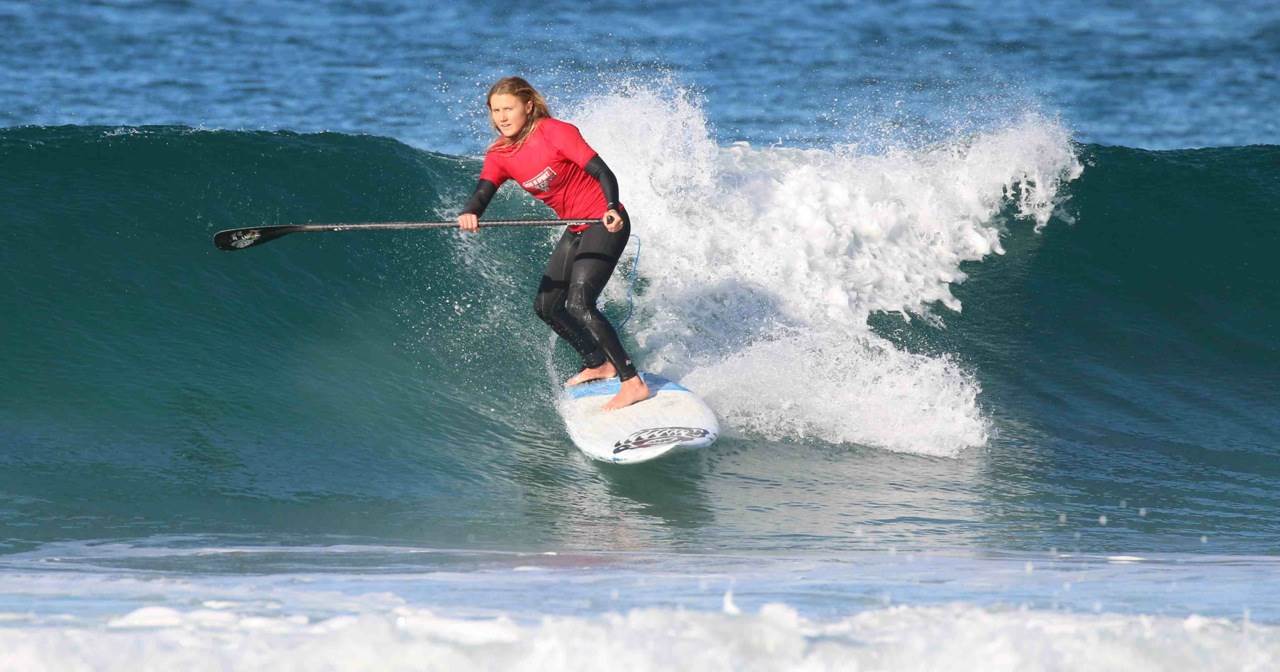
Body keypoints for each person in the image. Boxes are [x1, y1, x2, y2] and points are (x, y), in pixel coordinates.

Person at [457, 77, 650, 411]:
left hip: (604, 222)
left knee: (580, 303)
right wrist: (471, 212)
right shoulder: (500, 154)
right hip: (576, 228)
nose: (502, 117)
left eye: (508, 109)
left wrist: (611, 207)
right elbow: (482, 192)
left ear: (528, 106)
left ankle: (632, 382)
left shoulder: (555, 132)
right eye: (495, 111)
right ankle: (597, 362)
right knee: (547, 307)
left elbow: (603, 172)